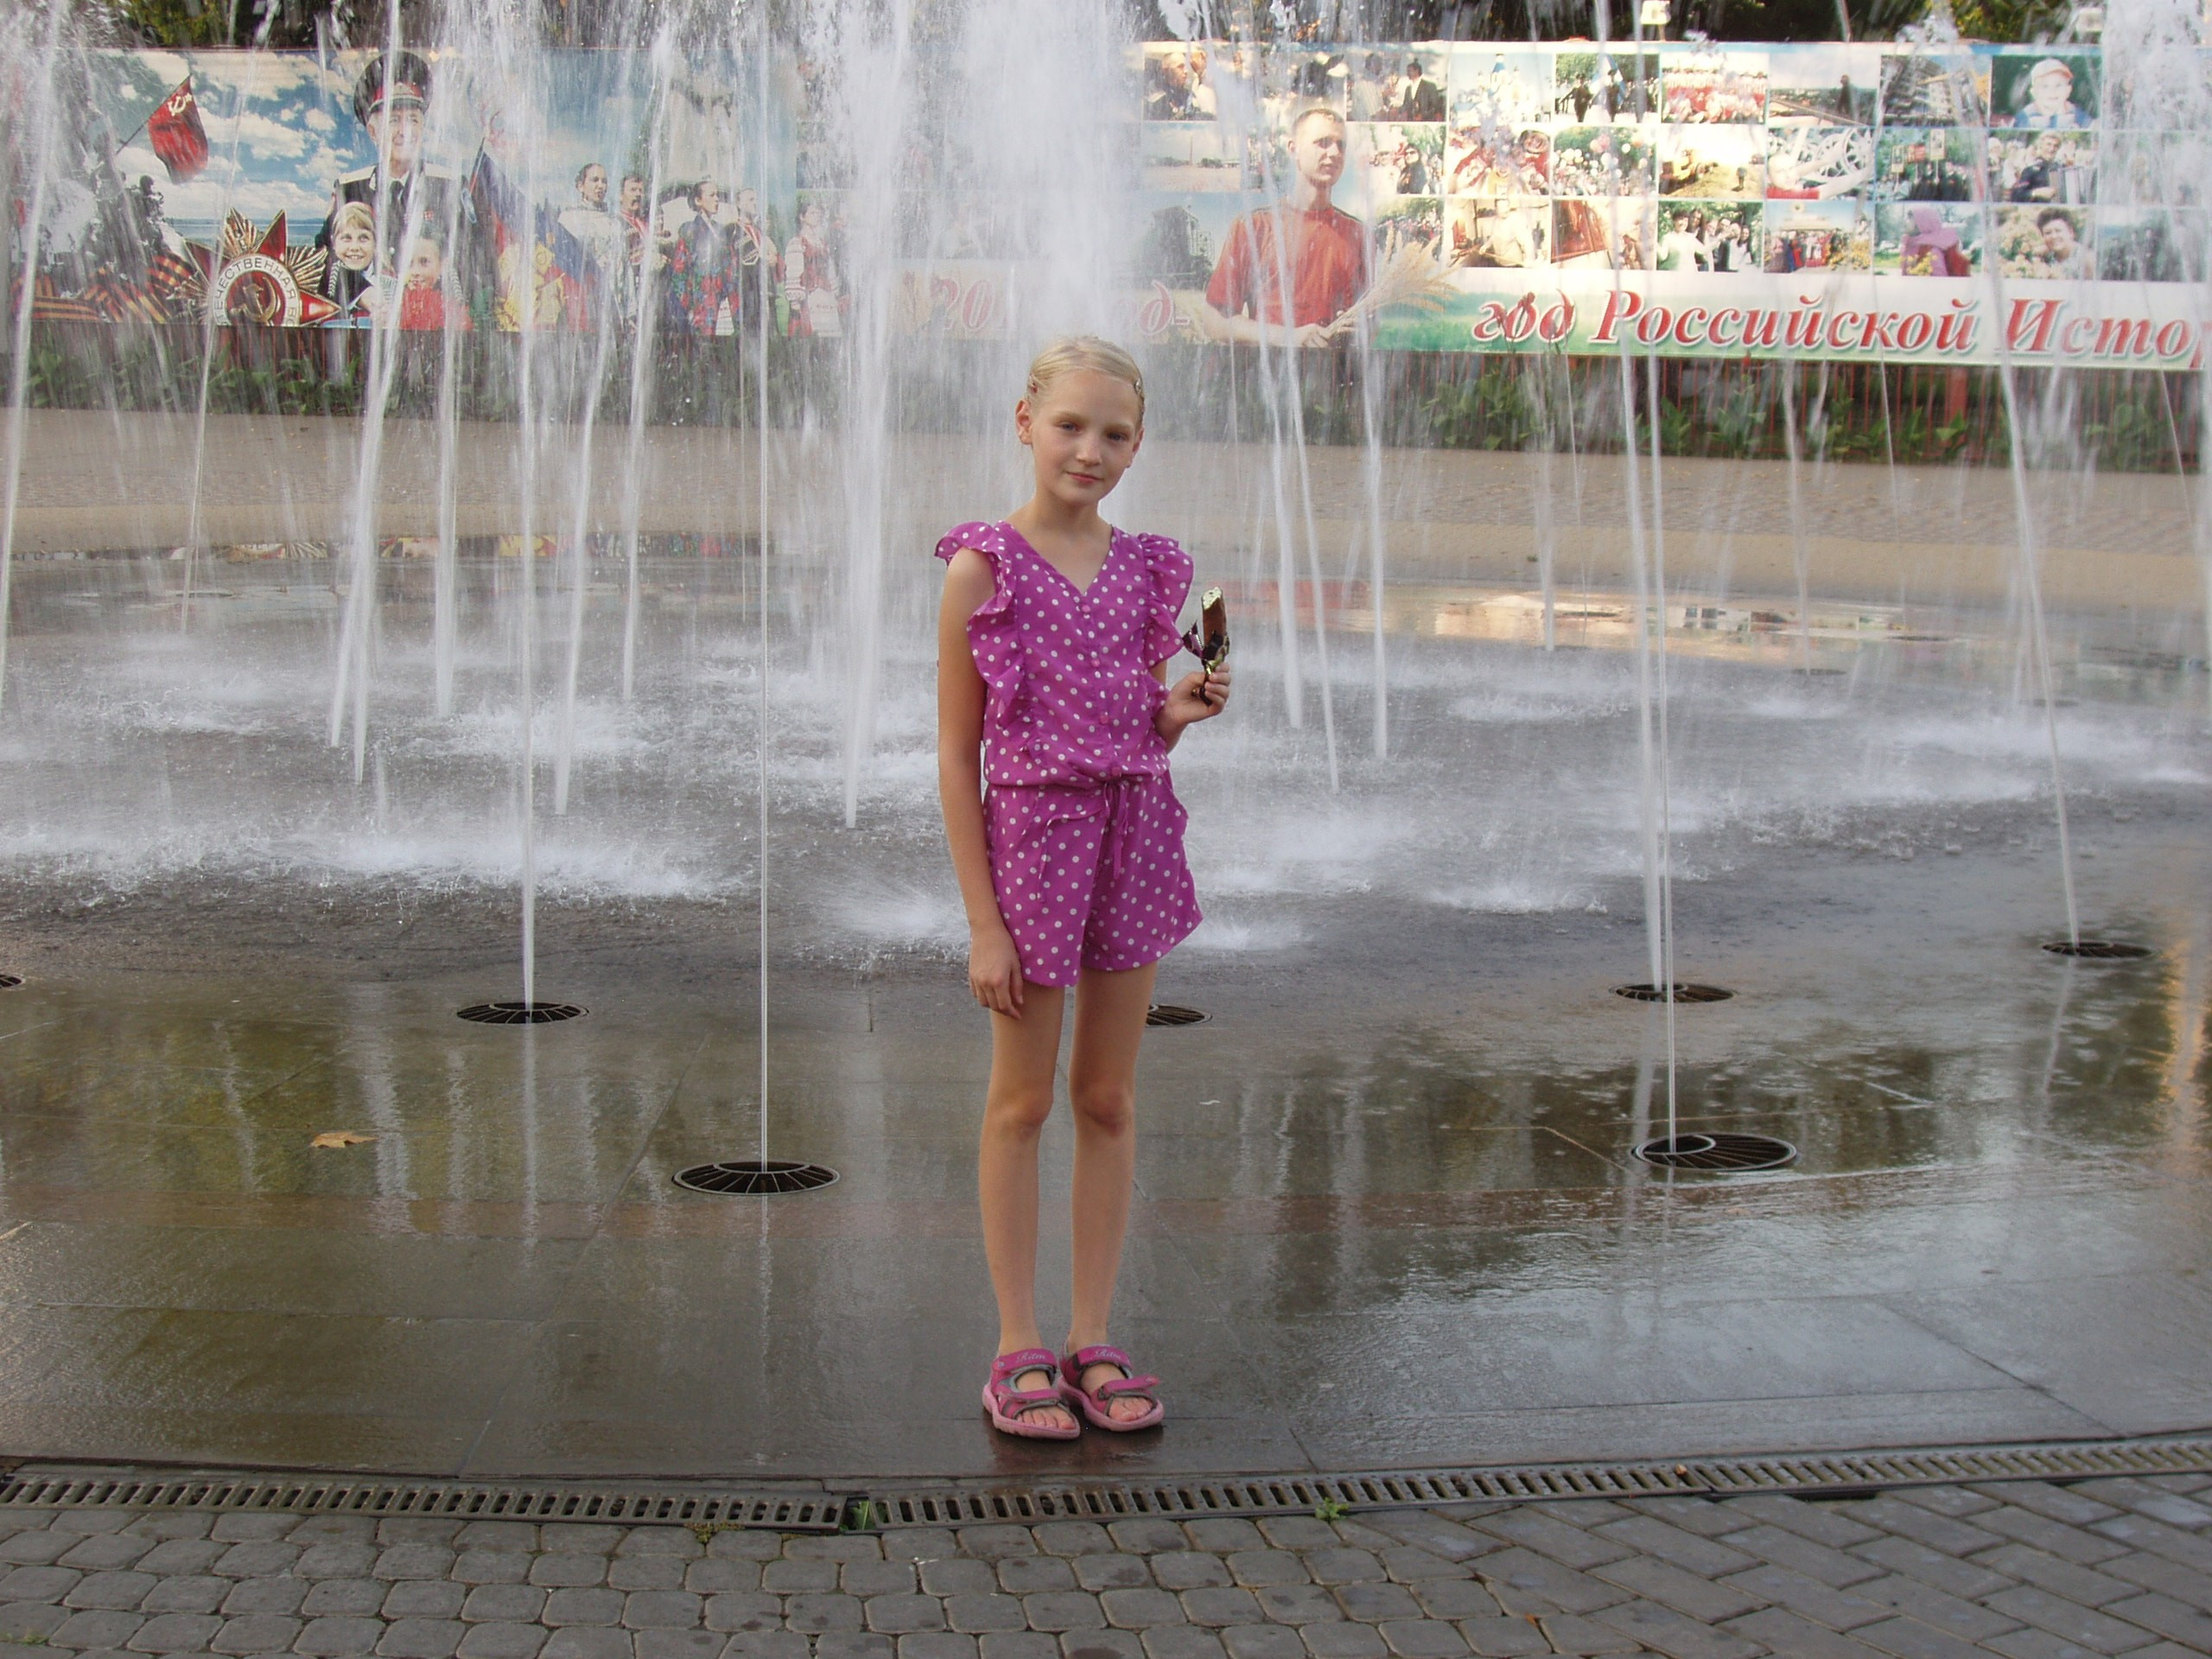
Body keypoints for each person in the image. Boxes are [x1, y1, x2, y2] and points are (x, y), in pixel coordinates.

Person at [933, 336, 1230, 1440]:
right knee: (1022, 1099)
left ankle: (1092, 1333)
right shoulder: (984, 568)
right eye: (1069, 425)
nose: (1090, 450)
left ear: (1137, 444)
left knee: (1107, 1098)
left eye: (1113, 434)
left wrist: (1174, 715)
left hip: (1134, 842)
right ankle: (1016, 1342)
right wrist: (981, 922)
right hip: (1031, 856)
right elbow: (956, 758)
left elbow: (1124, 727)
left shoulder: (1149, 568)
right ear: (1024, 421)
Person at [1199, 107, 1369, 347]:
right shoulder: (1253, 227)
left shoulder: (1357, 235)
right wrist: (1289, 338)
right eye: (1323, 142)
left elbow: (1368, 324)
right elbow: (1214, 320)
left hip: (1333, 380)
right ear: (1293, 149)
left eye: (1341, 145)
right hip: (1266, 378)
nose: (1334, 152)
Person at [316, 52, 460, 291]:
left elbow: (473, 261)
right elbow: (325, 258)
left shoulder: (450, 186)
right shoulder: (350, 189)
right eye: (393, 120)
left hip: (434, 318)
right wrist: (361, 294)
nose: (405, 131)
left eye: (413, 120)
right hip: (370, 320)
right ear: (373, 133)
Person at [784, 196, 844, 337]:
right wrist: (795, 302)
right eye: (812, 213)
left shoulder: (822, 243)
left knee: (828, 338)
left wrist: (834, 293)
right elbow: (794, 272)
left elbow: (830, 271)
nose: (816, 216)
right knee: (810, 336)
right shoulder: (797, 243)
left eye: (818, 213)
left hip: (825, 296)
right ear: (802, 217)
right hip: (808, 296)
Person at [2012, 58, 2090, 130]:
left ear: (2068, 90)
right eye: (2045, 86)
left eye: (2058, 85)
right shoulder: (2026, 116)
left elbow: (2092, 126)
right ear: (2034, 93)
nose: (2052, 91)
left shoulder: (2075, 113)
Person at [2033, 207, 2090, 277]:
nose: (2053, 236)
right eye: (2048, 233)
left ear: (2070, 232)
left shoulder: (2086, 259)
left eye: (2058, 231)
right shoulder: (2047, 255)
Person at [1397, 58, 1445, 122]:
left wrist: (1423, 116)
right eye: (1407, 71)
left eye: (1409, 71)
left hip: (1427, 122)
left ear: (1416, 71)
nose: (1407, 74)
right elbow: (1405, 105)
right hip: (1411, 123)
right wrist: (1402, 112)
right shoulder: (1408, 89)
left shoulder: (1430, 86)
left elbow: (1436, 106)